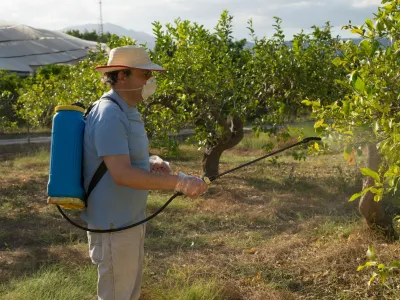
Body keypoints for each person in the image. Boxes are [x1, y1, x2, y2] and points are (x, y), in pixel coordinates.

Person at [82, 45, 208, 300]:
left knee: (128, 293)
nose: (150, 81)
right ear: (121, 76)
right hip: (113, 226)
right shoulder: (109, 114)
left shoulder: (128, 110)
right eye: (144, 75)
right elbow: (122, 174)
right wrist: (180, 182)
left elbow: (120, 162)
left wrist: (150, 164)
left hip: (128, 220)